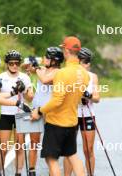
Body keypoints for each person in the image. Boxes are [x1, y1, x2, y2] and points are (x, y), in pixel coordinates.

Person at [31, 36, 89, 176]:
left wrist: (39, 110)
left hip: (56, 122)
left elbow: (57, 100)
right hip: (72, 122)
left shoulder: (62, 73)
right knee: (72, 156)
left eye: (63, 48)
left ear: (67, 51)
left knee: (51, 159)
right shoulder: (84, 74)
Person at [0, 50, 34, 176]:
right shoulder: (1, 77)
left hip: (21, 114)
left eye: (17, 63)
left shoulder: (25, 77)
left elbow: (30, 98)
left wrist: (24, 90)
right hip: (6, 114)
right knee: (3, 147)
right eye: (11, 63)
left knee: (20, 146)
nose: (14, 65)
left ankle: (18, 172)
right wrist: (12, 92)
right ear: (7, 64)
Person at [27, 47, 64, 176]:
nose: (45, 59)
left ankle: (52, 172)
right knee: (34, 142)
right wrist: (31, 64)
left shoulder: (59, 72)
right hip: (36, 110)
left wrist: (37, 68)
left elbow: (45, 80)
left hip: (49, 111)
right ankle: (31, 171)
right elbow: (27, 67)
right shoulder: (42, 69)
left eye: (47, 57)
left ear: (54, 61)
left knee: (50, 147)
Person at [64, 47, 100, 176]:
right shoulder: (69, 75)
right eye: (80, 61)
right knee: (69, 150)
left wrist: (87, 95)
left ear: (89, 63)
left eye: (85, 62)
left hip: (87, 114)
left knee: (88, 150)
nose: (83, 65)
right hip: (72, 114)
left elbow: (97, 98)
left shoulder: (92, 77)